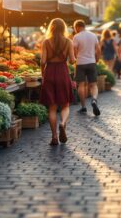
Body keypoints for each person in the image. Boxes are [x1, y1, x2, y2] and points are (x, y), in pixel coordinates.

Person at [40, 18, 76, 146]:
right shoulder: (68, 42)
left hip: (49, 72)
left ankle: (54, 137)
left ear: (51, 28)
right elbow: (71, 61)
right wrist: (74, 57)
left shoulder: (46, 42)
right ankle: (62, 124)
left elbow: (43, 61)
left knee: (52, 108)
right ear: (63, 28)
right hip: (62, 72)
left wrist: (42, 74)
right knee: (65, 105)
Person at [72, 20, 101, 116]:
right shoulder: (93, 35)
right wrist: (97, 59)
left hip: (80, 63)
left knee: (81, 85)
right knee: (93, 84)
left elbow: (74, 50)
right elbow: (98, 49)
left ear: (77, 27)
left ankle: (83, 107)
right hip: (91, 62)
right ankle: (94, 100)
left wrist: (77, 58)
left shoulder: (76, 37)